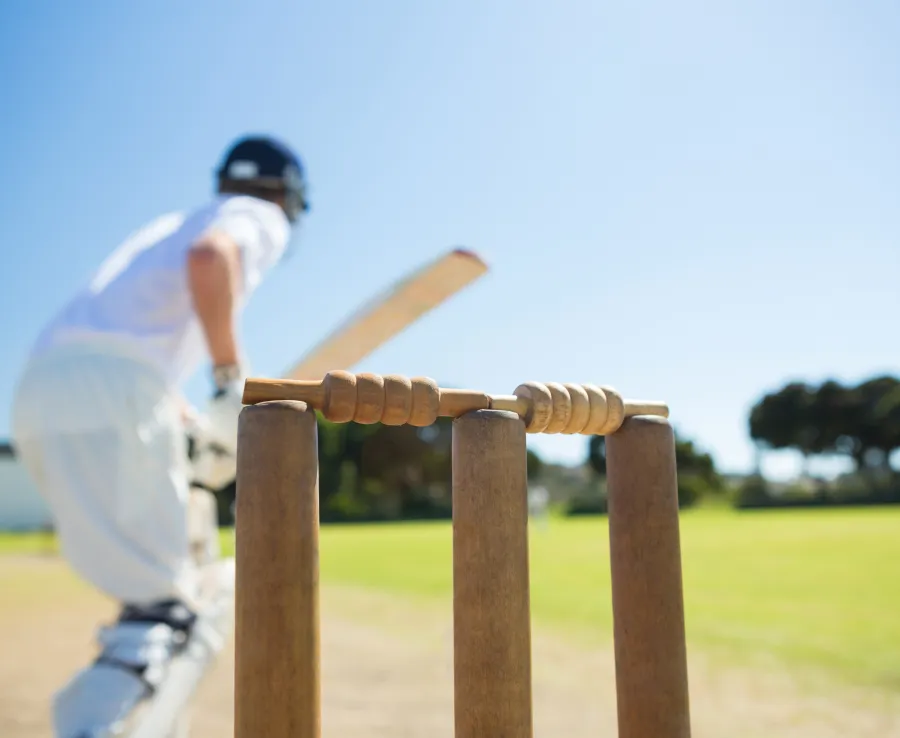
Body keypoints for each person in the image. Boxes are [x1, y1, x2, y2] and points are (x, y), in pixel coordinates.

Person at [10, 134, 310, 737]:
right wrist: (230, 384)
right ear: (286, 194)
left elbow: (123, 342)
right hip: (112, 394)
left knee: (150, 597)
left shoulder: (165, 228)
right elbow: (211, 258)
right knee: (170, 610)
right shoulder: (258, 216)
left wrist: (192, 425)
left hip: (41, 394)